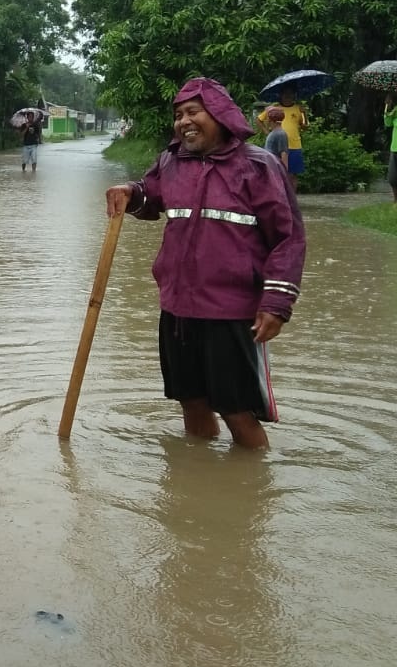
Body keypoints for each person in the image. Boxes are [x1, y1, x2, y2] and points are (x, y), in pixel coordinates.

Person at [105, 77, 305, 450]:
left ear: (220, 115)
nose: (184, 122)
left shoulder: (258, 166)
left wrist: (276, 303)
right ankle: (195, 482)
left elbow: (288, 238)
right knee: (190, 401)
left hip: (231, 313)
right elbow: (151, 198)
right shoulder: (171, 161)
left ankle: (251, 491)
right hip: (177, 308)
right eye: (179, 114)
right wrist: (130, 193)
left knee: (236, 410)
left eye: (193, 112)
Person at [257, 84, 308, 192]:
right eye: (285, 93)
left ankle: (292, 198)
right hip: (277, 147)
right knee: (277, 172)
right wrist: (267, 132)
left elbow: (305, 127)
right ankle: (280, 196)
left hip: (294, 145)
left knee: (293, 174)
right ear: (281, 95)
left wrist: (305, 114)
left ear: (294, 95)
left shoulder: (298, 108)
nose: (287, 96)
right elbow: (259, 119)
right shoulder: (275, 108)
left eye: (290, 93)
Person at [262, 107, 289, 172]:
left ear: (271, 120)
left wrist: (284, 172)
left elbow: (284, 153)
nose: (266, 120)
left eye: (267, 118)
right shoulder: (273, 133)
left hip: (275, 169)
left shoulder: (280, 134)